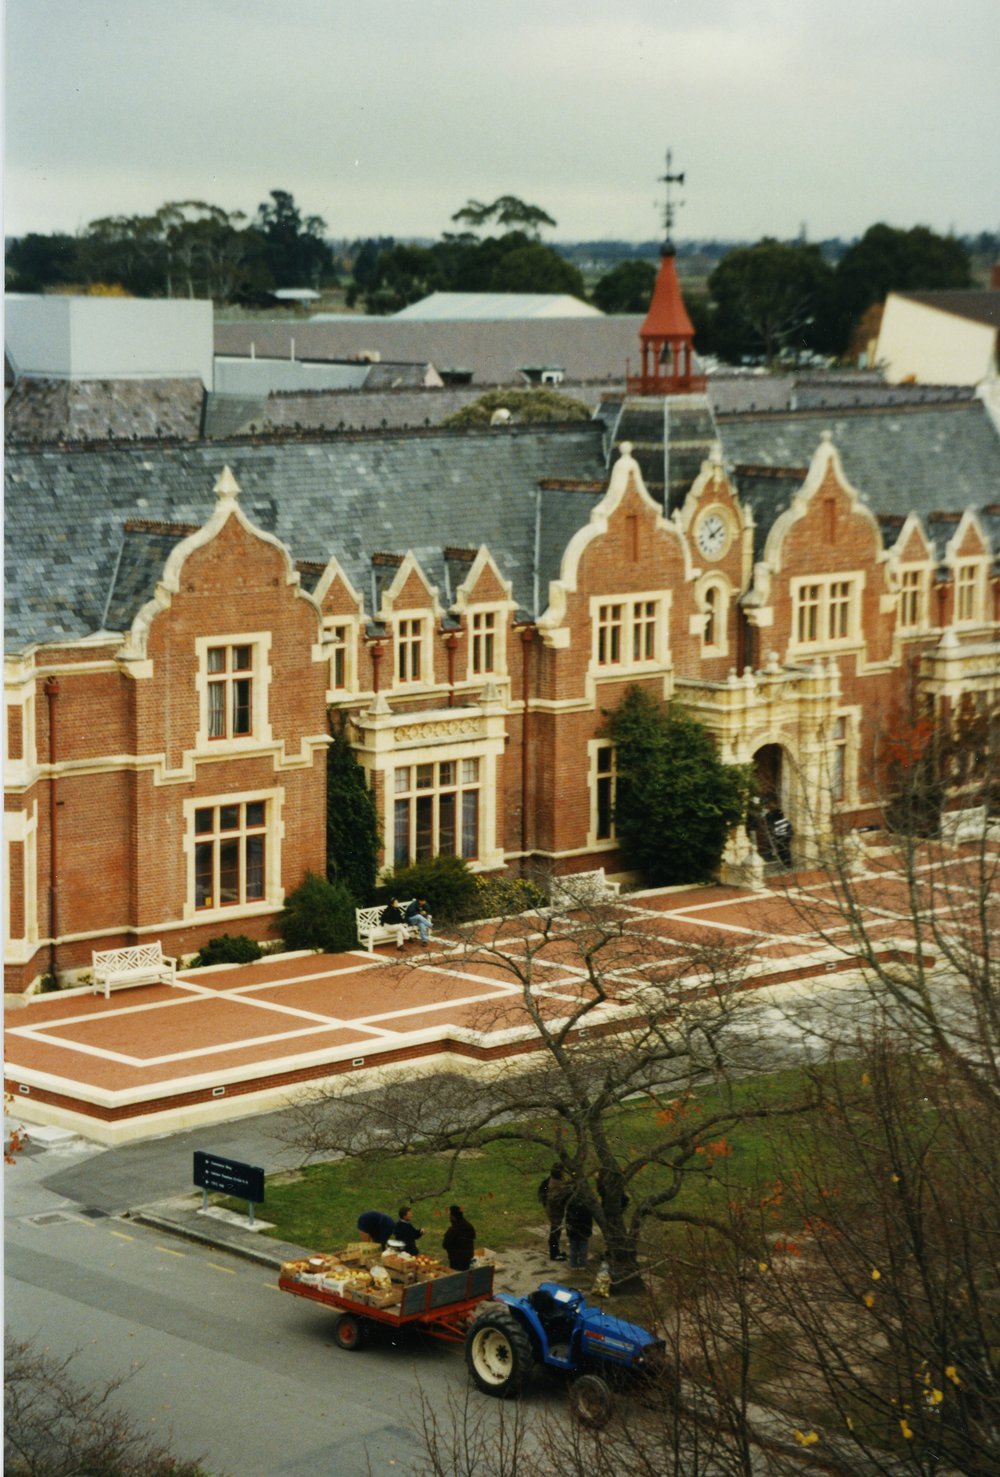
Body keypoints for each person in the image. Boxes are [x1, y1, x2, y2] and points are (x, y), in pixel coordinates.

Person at [539, 1163, 571, 1261]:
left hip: (553, 1209)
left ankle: (555, 1252)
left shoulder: (554, 1179)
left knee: (556, 1231)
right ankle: (554, 1254)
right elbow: (555, 1198)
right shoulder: (555, 1184)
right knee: (555, 1232)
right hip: (555, 1211)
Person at [442, 1203, 476, 1270]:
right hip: (467, 1257)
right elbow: (473, 1236)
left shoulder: (453, 1230)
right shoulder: (469, 1226)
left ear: (453, 1217)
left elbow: (445, 1245)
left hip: (456, 1259)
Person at [565, 1189, 593, 1270]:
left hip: (576, 1233)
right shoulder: (586, 1209)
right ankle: (580, 1264)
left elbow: (568, 1221)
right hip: (581, 1232)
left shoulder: (570, 1208)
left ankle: (576, 1264)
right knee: (581, 1250)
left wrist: (568, 1231)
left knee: (575, 1249)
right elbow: (589, 1222)